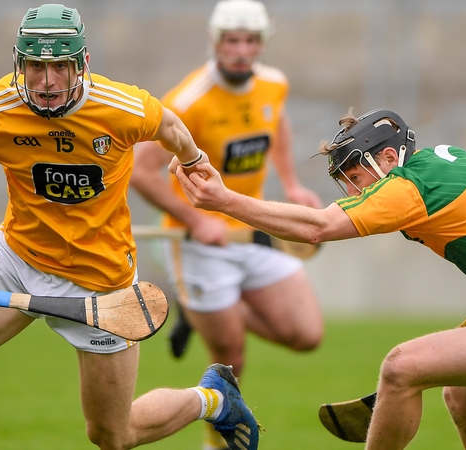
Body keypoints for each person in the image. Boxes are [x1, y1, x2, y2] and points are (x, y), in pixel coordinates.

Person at [0, 5, 259, 450]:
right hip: (16, 263)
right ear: (20, 64)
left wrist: (193, 162)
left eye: (60, 66)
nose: (48, 81)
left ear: (83, 64)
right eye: (36, 66)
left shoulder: (122, 107)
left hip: (100, 286)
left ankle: (212, 399)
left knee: (113, 435)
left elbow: (170, 126)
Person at [171, 107, 466, 449]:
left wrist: (224, 200)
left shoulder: (408, 188)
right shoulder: (445, 160)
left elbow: (318, 227)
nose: (356, 192)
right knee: (463, 399)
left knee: (401, 369)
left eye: (356, 176)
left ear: (387, 157)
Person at [131, 2, 323, 446]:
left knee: (307, 334)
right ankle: (215, 445)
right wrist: (196, 220)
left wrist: (292, 184)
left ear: (262, 44)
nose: (241, 51)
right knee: (231, 356)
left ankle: (200, 312)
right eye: (232, 41)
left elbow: (278, 123)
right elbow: (142, 171)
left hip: (249, 226)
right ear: (216, 42)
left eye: (251, 41)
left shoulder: (274, 84)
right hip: (198, 242)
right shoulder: (188, 100)